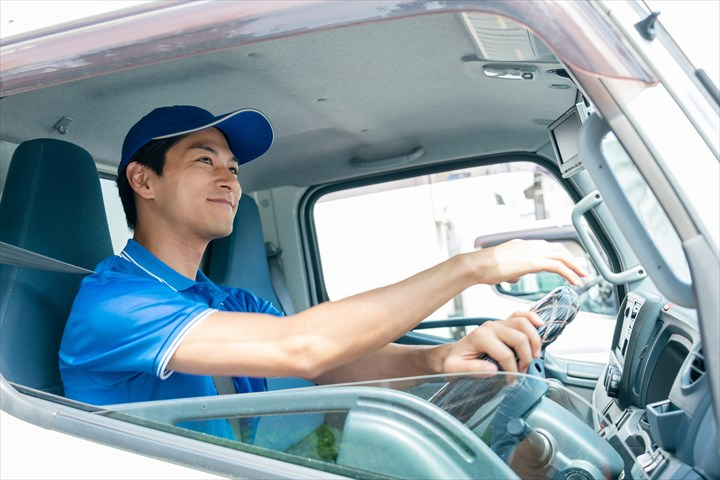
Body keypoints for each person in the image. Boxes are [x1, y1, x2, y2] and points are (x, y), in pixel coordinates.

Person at [59, 105, 586, 438]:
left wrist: (442, 357)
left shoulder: (228, 302)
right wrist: (471, 267)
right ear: (142, 181)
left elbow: (324, 368)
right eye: (205, 161)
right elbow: (302, 346)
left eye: (234, 168)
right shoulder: (114, 304)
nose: (229, 179)